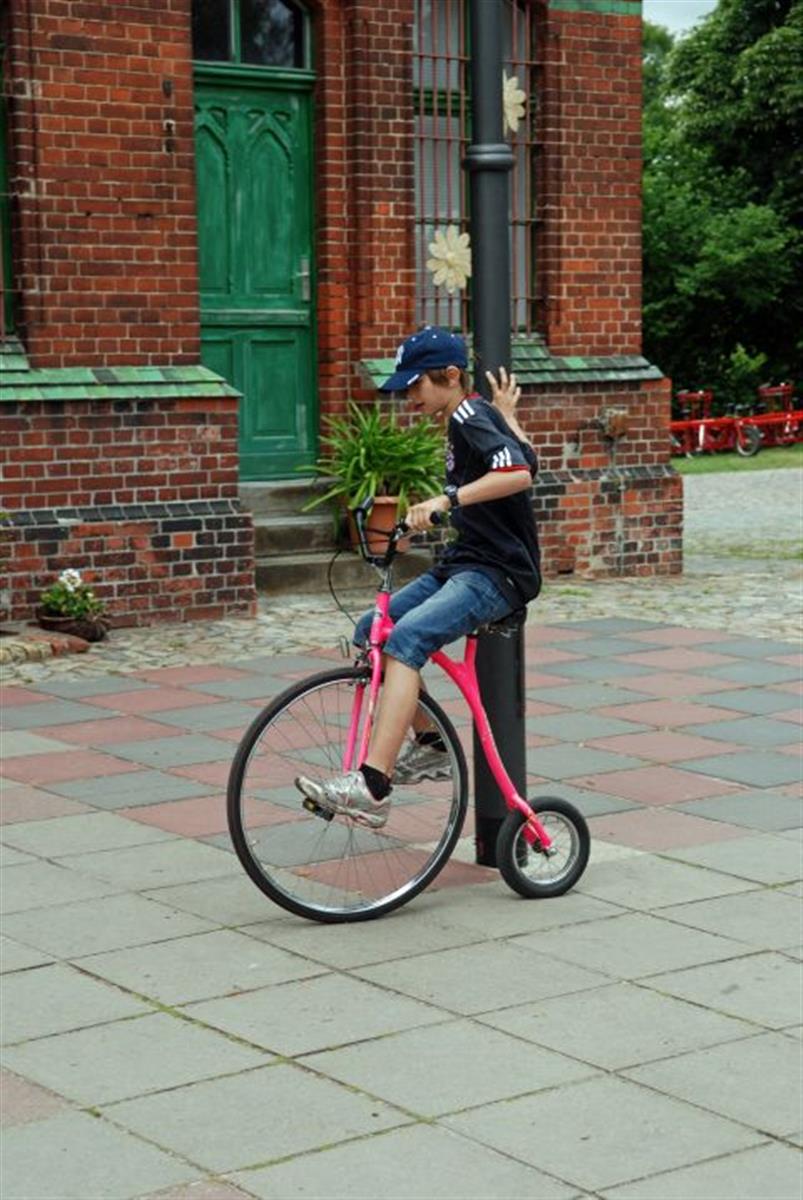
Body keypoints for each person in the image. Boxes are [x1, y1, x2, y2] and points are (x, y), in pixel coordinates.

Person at [295, 326, 541, 828]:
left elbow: (518, 474)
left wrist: (446, 500)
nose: (410, 397)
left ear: (449, 375)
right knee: (372, 630)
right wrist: (509, 419)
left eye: (416, 385)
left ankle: (373, 786)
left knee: (407, 640)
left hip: (497, 572)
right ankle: (430, 743)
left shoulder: (469, 417)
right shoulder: (471, 416)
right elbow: (524, 458)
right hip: (464, 561)